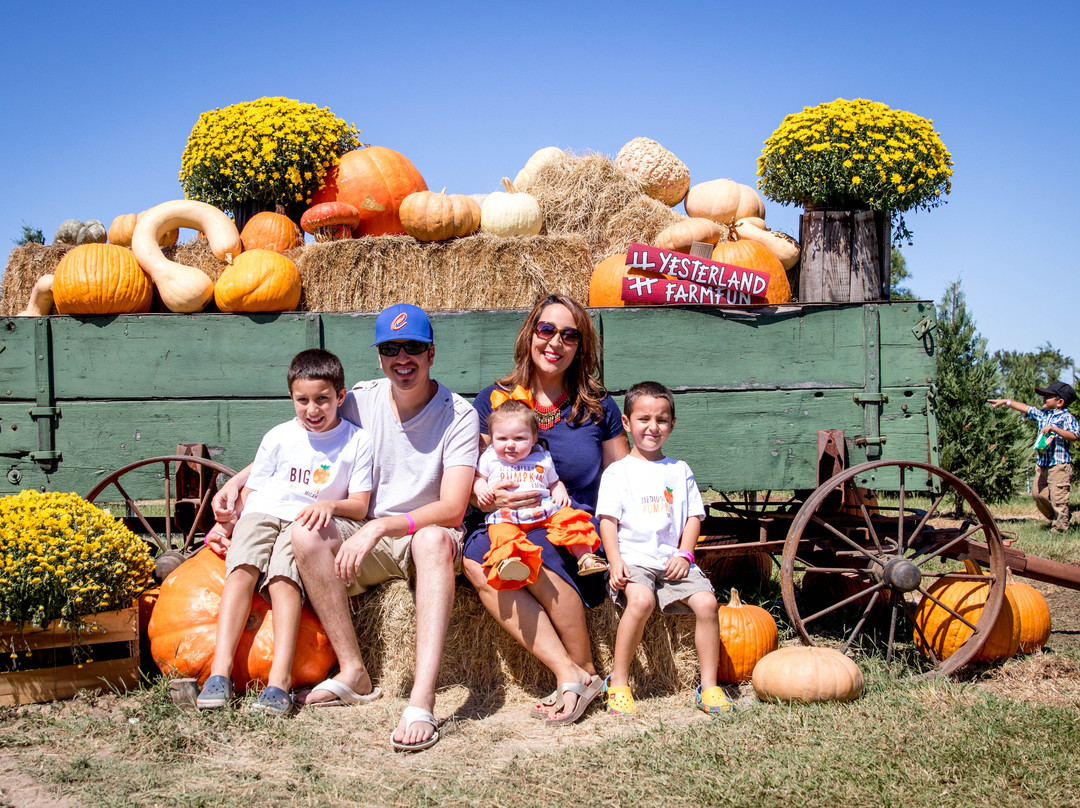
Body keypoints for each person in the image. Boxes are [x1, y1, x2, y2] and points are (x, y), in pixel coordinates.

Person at [213, 303, 479, 752]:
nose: (402, 358)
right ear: (379, 357)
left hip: (419, 531)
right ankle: (354, 671)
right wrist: (238, 482)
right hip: (364, 532)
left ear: (431, 353)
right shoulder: (359, 398)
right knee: (305, 531)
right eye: (391, 348)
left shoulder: (459, 414)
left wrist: (379, 528)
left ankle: (421, 700)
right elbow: (304, 440)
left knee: (434, 541)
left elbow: (452, 509)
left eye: (413, 347)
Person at [462, 292, 629, 725]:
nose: (556, 342)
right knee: (477, 559)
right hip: (504, 518)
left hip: (569, 524)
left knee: (542, 551)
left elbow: (623, 476)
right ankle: (571, 673)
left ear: (581, 346)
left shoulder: (596, 406)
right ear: (530, 334)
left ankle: (587, 669)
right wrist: (486, 494)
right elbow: (471, 471)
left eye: (569, 335)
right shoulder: (497, 400)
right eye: (547, 330)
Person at [196, 349, 373, 716]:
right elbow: (252, 489)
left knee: (283, 580)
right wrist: (226, 522)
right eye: (302, 400)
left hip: (304, 522)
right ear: (291, 398)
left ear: (340, 397)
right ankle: (219, 672)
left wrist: (330, 505)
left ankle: (279, 681)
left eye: (323, 399)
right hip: (264, 512)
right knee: (241, 567)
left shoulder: (356, 442)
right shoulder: (278, 436)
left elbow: (359, 504)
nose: (313, 409)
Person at [596, 381, 729, 715]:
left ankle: (710, 686)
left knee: (708, 603)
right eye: (643, 419)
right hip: (635, 560)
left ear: (672, 425)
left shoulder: (679, 470)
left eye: (661, 420)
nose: (652, 427)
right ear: (626, 423)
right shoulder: (618, 472)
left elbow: (694, 517)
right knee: (640, 600)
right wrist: (615, 562)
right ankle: (620, 682)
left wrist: (685, 553)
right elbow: (608, 522)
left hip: (672, 560)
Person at [473, 398, 607, 588]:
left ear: (534, 437)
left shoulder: (541, 457)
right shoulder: (490, 458)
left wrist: (559, 491)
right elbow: (478, 477)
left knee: (570, 518)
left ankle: (584, 555)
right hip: (506, 515)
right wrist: (480, 487)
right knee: (502, 534)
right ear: (492, 438)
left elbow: (553, 481)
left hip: (544, 509)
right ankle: (511, 562)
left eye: (519, 438)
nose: (510, 445)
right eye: (502, 439)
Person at [990, 381, 1079, 534]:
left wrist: (1055, 429)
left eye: (1048, 396)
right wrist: (1007, 402)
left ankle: (1060, 529)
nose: (1043, 398)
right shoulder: (1043, 415)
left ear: (1060, 402)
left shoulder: (1067, 418)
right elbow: (1026, 408)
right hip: (1042, 464)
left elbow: (1073, 436)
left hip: (1059, 465)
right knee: (1038, 494)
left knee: (1059, 498)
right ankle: (1059, 516)